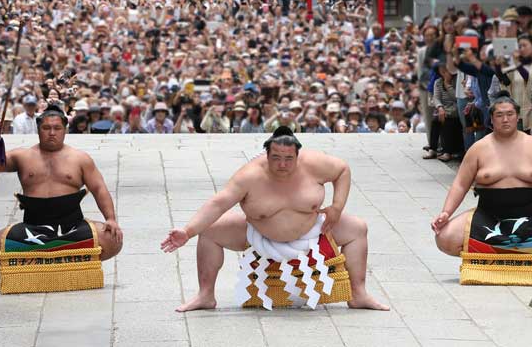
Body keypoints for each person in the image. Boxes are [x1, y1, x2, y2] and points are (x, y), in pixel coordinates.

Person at [160, 126, 389, 312]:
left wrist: (337, 207)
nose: (282, 164)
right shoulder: (249, 175)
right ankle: (205, 295)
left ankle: (358, 294)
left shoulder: (314, 164)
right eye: (276, 157)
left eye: (288, 159)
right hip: (258, 233)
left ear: (297, 155)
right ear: (266, 155)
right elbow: (218, 203)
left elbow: (343, 170)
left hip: (313, 229)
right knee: (209, 231)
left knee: (358, 229)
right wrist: (188, 231)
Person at [431, 91, 532, 257]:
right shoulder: (478, 148)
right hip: (487, 218)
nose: (505, 119)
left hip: (531, 217)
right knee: (445, 238)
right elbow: (460, 184)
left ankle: (507, 253)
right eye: (499, 115)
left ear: (517, 116)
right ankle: (516, 252)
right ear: (491, 119)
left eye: (510, 114)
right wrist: (446, 213)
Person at [0, 105, 123, 264]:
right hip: (33, 227)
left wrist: (110, 218)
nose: (51, 133)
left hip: (72, 226)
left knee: (113, 240)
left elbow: (99, 189)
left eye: (57, 128)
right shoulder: (21, 156)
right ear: (38, 129)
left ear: (65, 130)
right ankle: (58, 259)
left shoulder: (80, 158)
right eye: (46, 128)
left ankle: (46, 260)